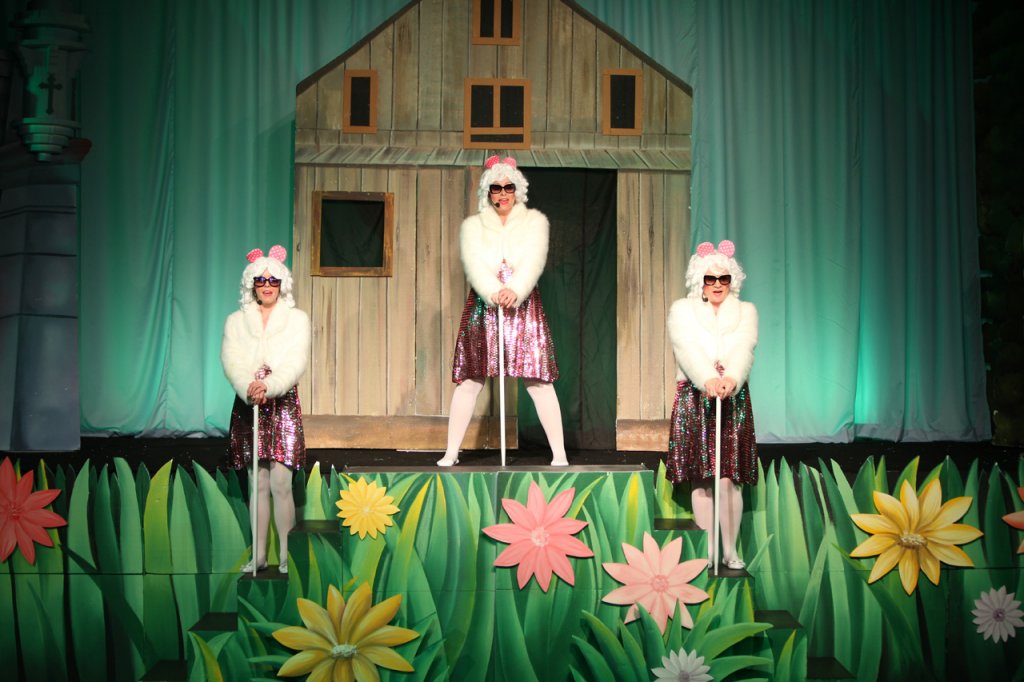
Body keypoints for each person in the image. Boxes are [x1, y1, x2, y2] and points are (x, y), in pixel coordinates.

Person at [437, 155, 568, 467]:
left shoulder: (534, 223)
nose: (503, 193)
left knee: (538, 380)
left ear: (517, 190)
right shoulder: (473, 227)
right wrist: (492, 289)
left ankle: (559, 453)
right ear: (489, 192)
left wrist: (516, 289)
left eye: (509, 187)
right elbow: (474, 263)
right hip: (486, 307)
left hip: (523, 308)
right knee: (470, 379)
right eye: (496, 188)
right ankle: (451, 452)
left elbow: (534, 259)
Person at [665, 240, 758, 570]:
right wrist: (707, 379)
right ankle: (707, 550)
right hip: (696, 398)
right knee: (702, 479)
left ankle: (730, 550)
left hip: (731, 399)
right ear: (700, 281)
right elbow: (685, 347)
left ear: (732, 281)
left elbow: (745, 347)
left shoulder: (746, 312)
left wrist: (731, 377)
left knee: (727, 479)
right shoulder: (682, 310)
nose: (717, 285)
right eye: (710, 278)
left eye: (723, 279)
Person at [221, 245, 310, 574]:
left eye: (273, 280)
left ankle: (287, 558)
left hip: (281, 404)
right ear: (252, 284)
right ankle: (259, 556)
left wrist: (269, 386)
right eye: (261, 280)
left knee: (280, 484)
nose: (267, 285)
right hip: (249, 406)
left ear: (282, 283)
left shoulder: (297, 320)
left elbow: (296, 360)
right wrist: (249, 385)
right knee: (256, 483)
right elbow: (231, 358)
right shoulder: (235, 322)